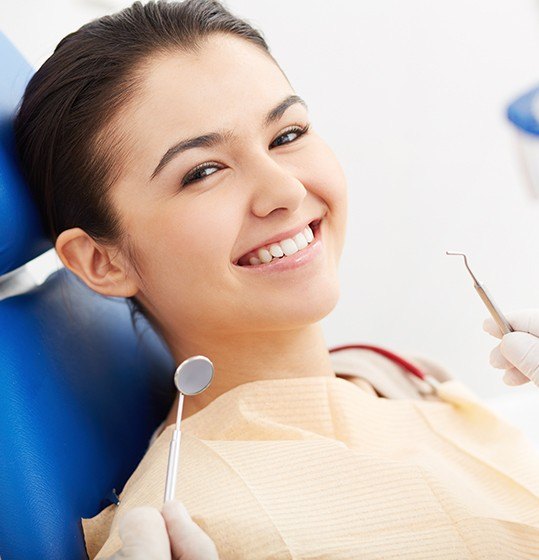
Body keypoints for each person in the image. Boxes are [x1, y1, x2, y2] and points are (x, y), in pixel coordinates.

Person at [13, 1, 539, 557]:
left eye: (287, 135)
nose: (286, 190)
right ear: (103, 261)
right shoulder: (194, 527)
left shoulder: (389, 375)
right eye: (203, 171)